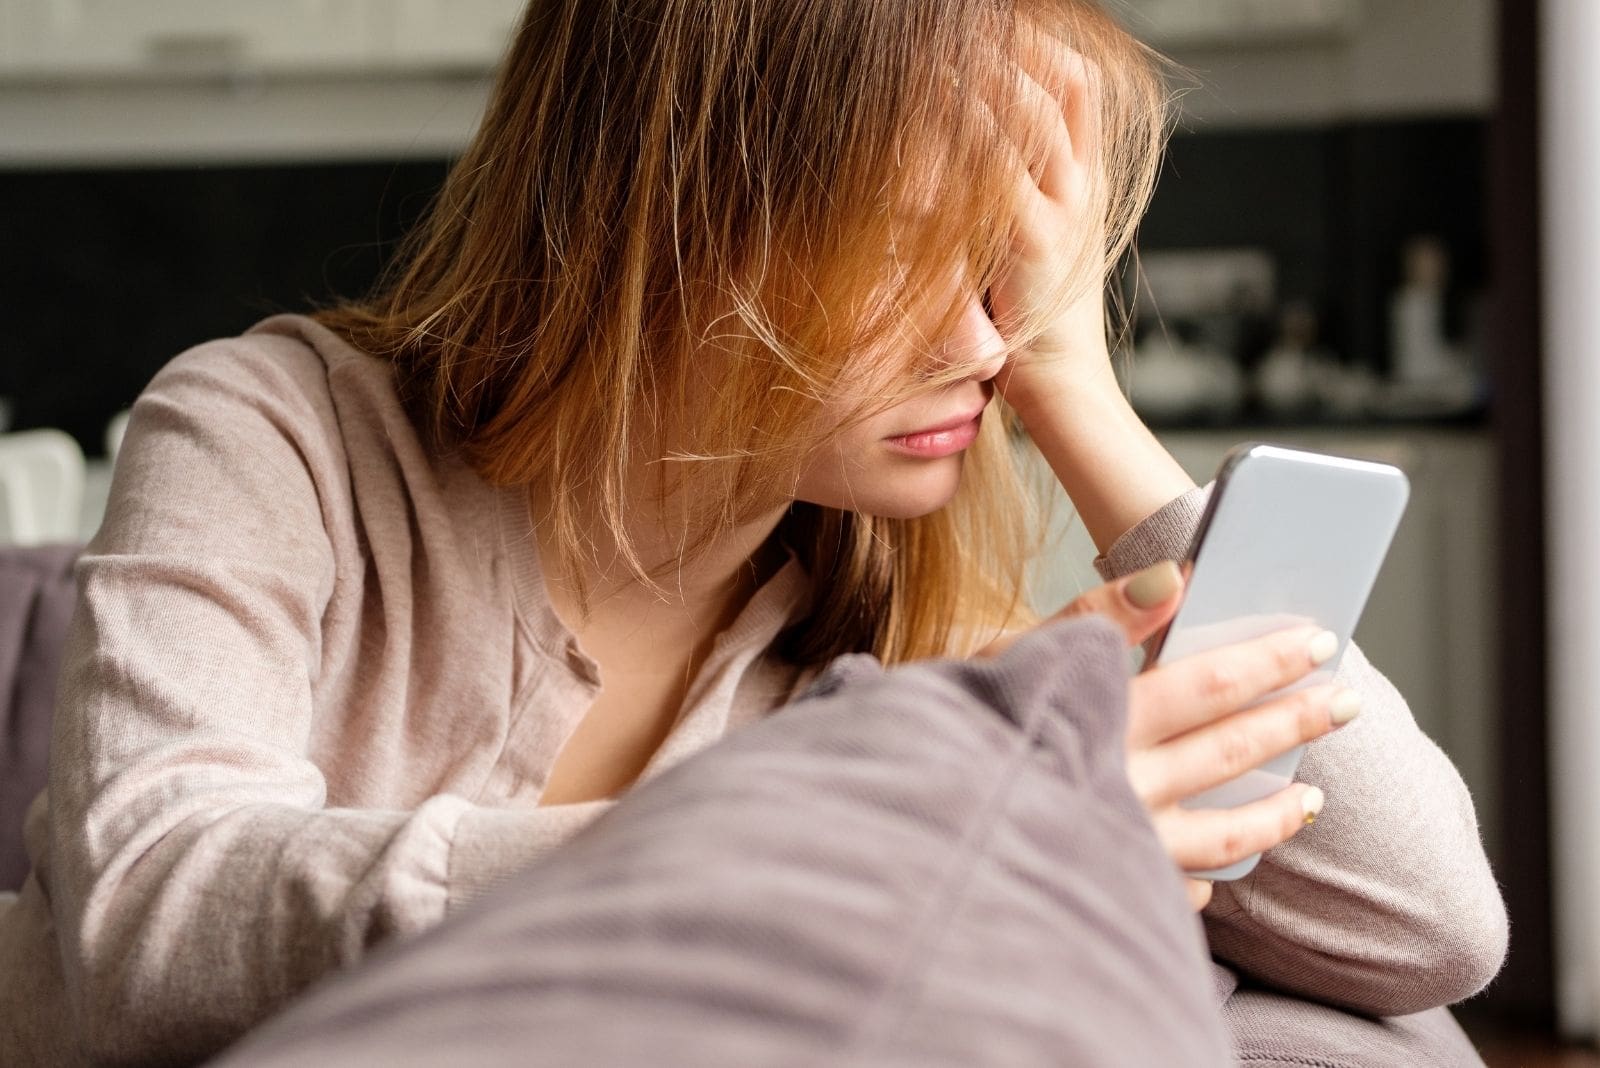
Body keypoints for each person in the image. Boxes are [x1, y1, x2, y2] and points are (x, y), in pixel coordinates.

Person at [0, 0, 1506, 1063]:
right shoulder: (274, 433)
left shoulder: (879, 617)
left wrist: (1080, 396)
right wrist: (852, 834)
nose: (991, 339)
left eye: (1024, 272)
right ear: (679, 212)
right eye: (925, 246)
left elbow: (1424, 934)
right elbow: (145, 933)